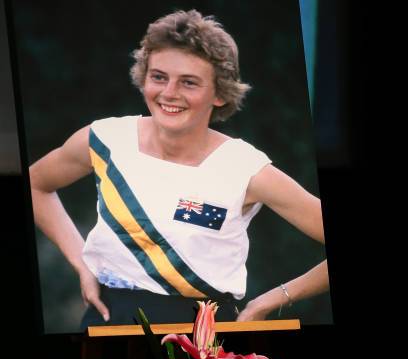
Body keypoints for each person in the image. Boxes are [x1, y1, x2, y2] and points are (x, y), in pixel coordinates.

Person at [29, 9, 329, 328]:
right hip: (106, 319)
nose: (169, 93)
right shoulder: (103, 139)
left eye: (189, 82)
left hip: (205, 336)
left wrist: (270, 300)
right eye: (159, 77)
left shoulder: (246, 168)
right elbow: (36, 183)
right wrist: (82, 265)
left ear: (219, 94)